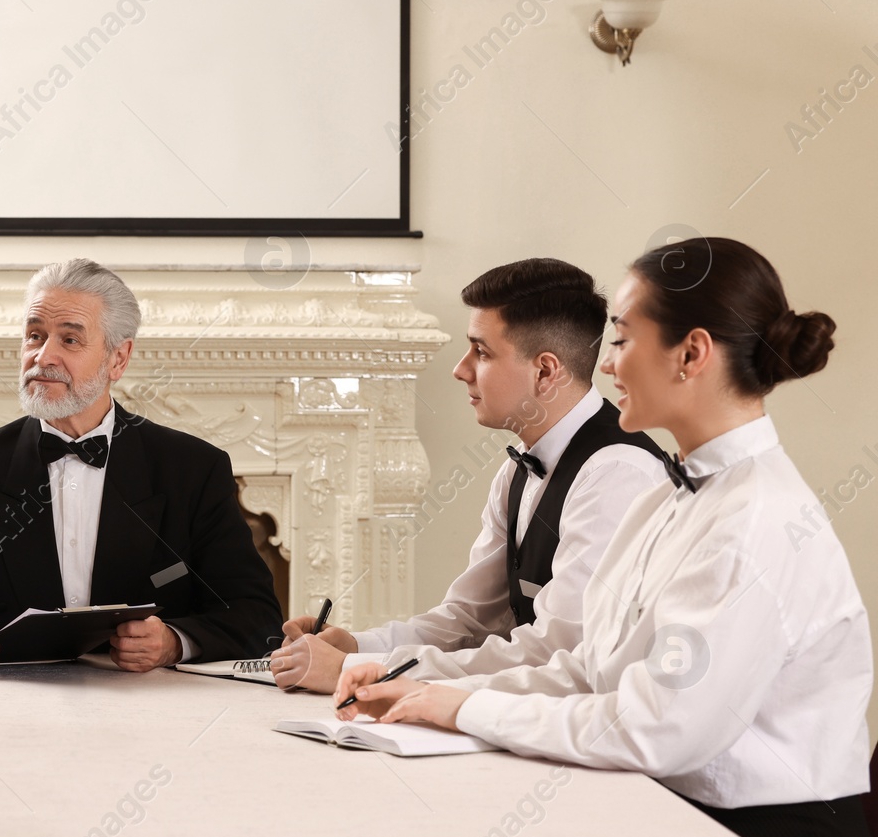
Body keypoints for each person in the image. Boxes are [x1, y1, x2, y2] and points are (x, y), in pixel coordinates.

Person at [335, 238, 876, 837]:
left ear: (692, 353)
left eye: (621, 339)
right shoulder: (666, 496)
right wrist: (431, 690)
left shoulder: (758, 522)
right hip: (679, 823)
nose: (609, 362)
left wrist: (461, 709)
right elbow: (589, 668)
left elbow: (655, 728)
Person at [271, 259, 665, 693]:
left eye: (482, 352)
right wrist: (356, 647)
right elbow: (469, 617)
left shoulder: (616, 474)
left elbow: (557, 652)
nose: (461, 369)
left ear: (545, 371)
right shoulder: (516, 468)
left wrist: (365, 671)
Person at [0, 258, 283, 672]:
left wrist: (174, 643)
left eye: (70, 340)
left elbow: (255, 615)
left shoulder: (194, 470)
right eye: (35, 336)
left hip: (154, 713)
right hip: (5, 709)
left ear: (118, 360)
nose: (43, 356)